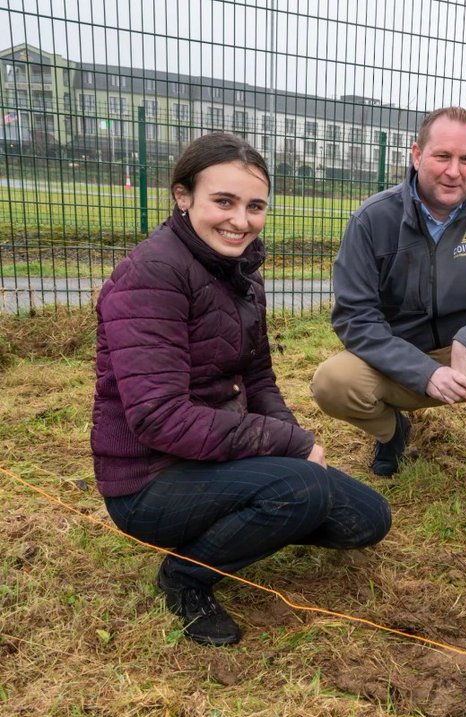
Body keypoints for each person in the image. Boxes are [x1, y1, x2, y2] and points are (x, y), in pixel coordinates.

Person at [91, 133, 392, 647]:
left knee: (367, 519)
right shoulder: (151, 275)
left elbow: (258, 377)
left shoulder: (242, 272)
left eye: (255, 206)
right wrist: (291, 446)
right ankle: (186, 577)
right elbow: (159, 418)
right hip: (150, 479)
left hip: (218, 454)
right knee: (301, 489)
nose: (241, 220)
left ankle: (245, 517)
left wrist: (292, 443)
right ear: (183, 196)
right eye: (224, 201)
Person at [311, 106, 466, 498]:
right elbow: (355, 319)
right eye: (442, 156)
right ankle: (394, 432)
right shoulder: (372, 219)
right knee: (332, 382)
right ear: (417, 155)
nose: (454, 171)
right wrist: (425, 372)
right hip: (402, 364)